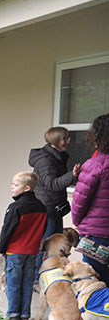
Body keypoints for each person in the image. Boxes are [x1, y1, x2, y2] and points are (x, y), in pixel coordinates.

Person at [0, 171, 47, 320]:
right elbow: (42, 229)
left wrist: (1, 249)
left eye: (15, 185)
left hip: (15, 251)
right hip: (32, 252)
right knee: (27, 284)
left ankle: (13, 315)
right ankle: (25, 316)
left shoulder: (15, 207)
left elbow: (7, 230)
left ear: (27, 188)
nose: (12, 187)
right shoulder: (42, 207)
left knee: (13, 283)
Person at [29, 126, 81, 277]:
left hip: (54, 207)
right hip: (47, 208)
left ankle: (48, 273)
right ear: (55, 140)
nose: (67, 142)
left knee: (54, 243)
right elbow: (52, 184)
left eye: (67, 138)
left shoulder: (57, 156)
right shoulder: (46, 160)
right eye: (64, 139)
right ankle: (37, 277)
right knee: (45, 244)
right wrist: (72, 175)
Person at [71, 113, 109, 284]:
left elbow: (80, 201)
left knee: (96, 281)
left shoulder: (94, 165)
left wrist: (77, 221)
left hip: (97, 235)